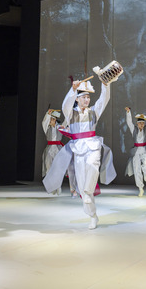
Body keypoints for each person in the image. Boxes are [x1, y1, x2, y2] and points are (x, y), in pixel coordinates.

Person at [42, 78, 116, 229]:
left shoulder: (94, 111)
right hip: (78, 148)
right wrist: (73, 89)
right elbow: (65, 105)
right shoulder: (70, 114)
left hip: (93, 146)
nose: (87, 99)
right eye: (84, 97)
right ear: (77, 98)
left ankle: (88, 192)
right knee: (82, 186)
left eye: (88, 97)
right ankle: (93, 215)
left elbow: (104, 99)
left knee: (92, 168)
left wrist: (105, 85)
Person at [42, 109, 64, 195]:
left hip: (58, 149)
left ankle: (58, 186)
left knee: (58, 169)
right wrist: (48, 114)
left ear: (55, 120)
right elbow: (44, 122)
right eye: (50, 119)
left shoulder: (60, 127)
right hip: (49, 149)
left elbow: (66, 125)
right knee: (49, 168)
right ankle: (50, 187)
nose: (50, 121)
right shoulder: (47, 128)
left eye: (52, 119)